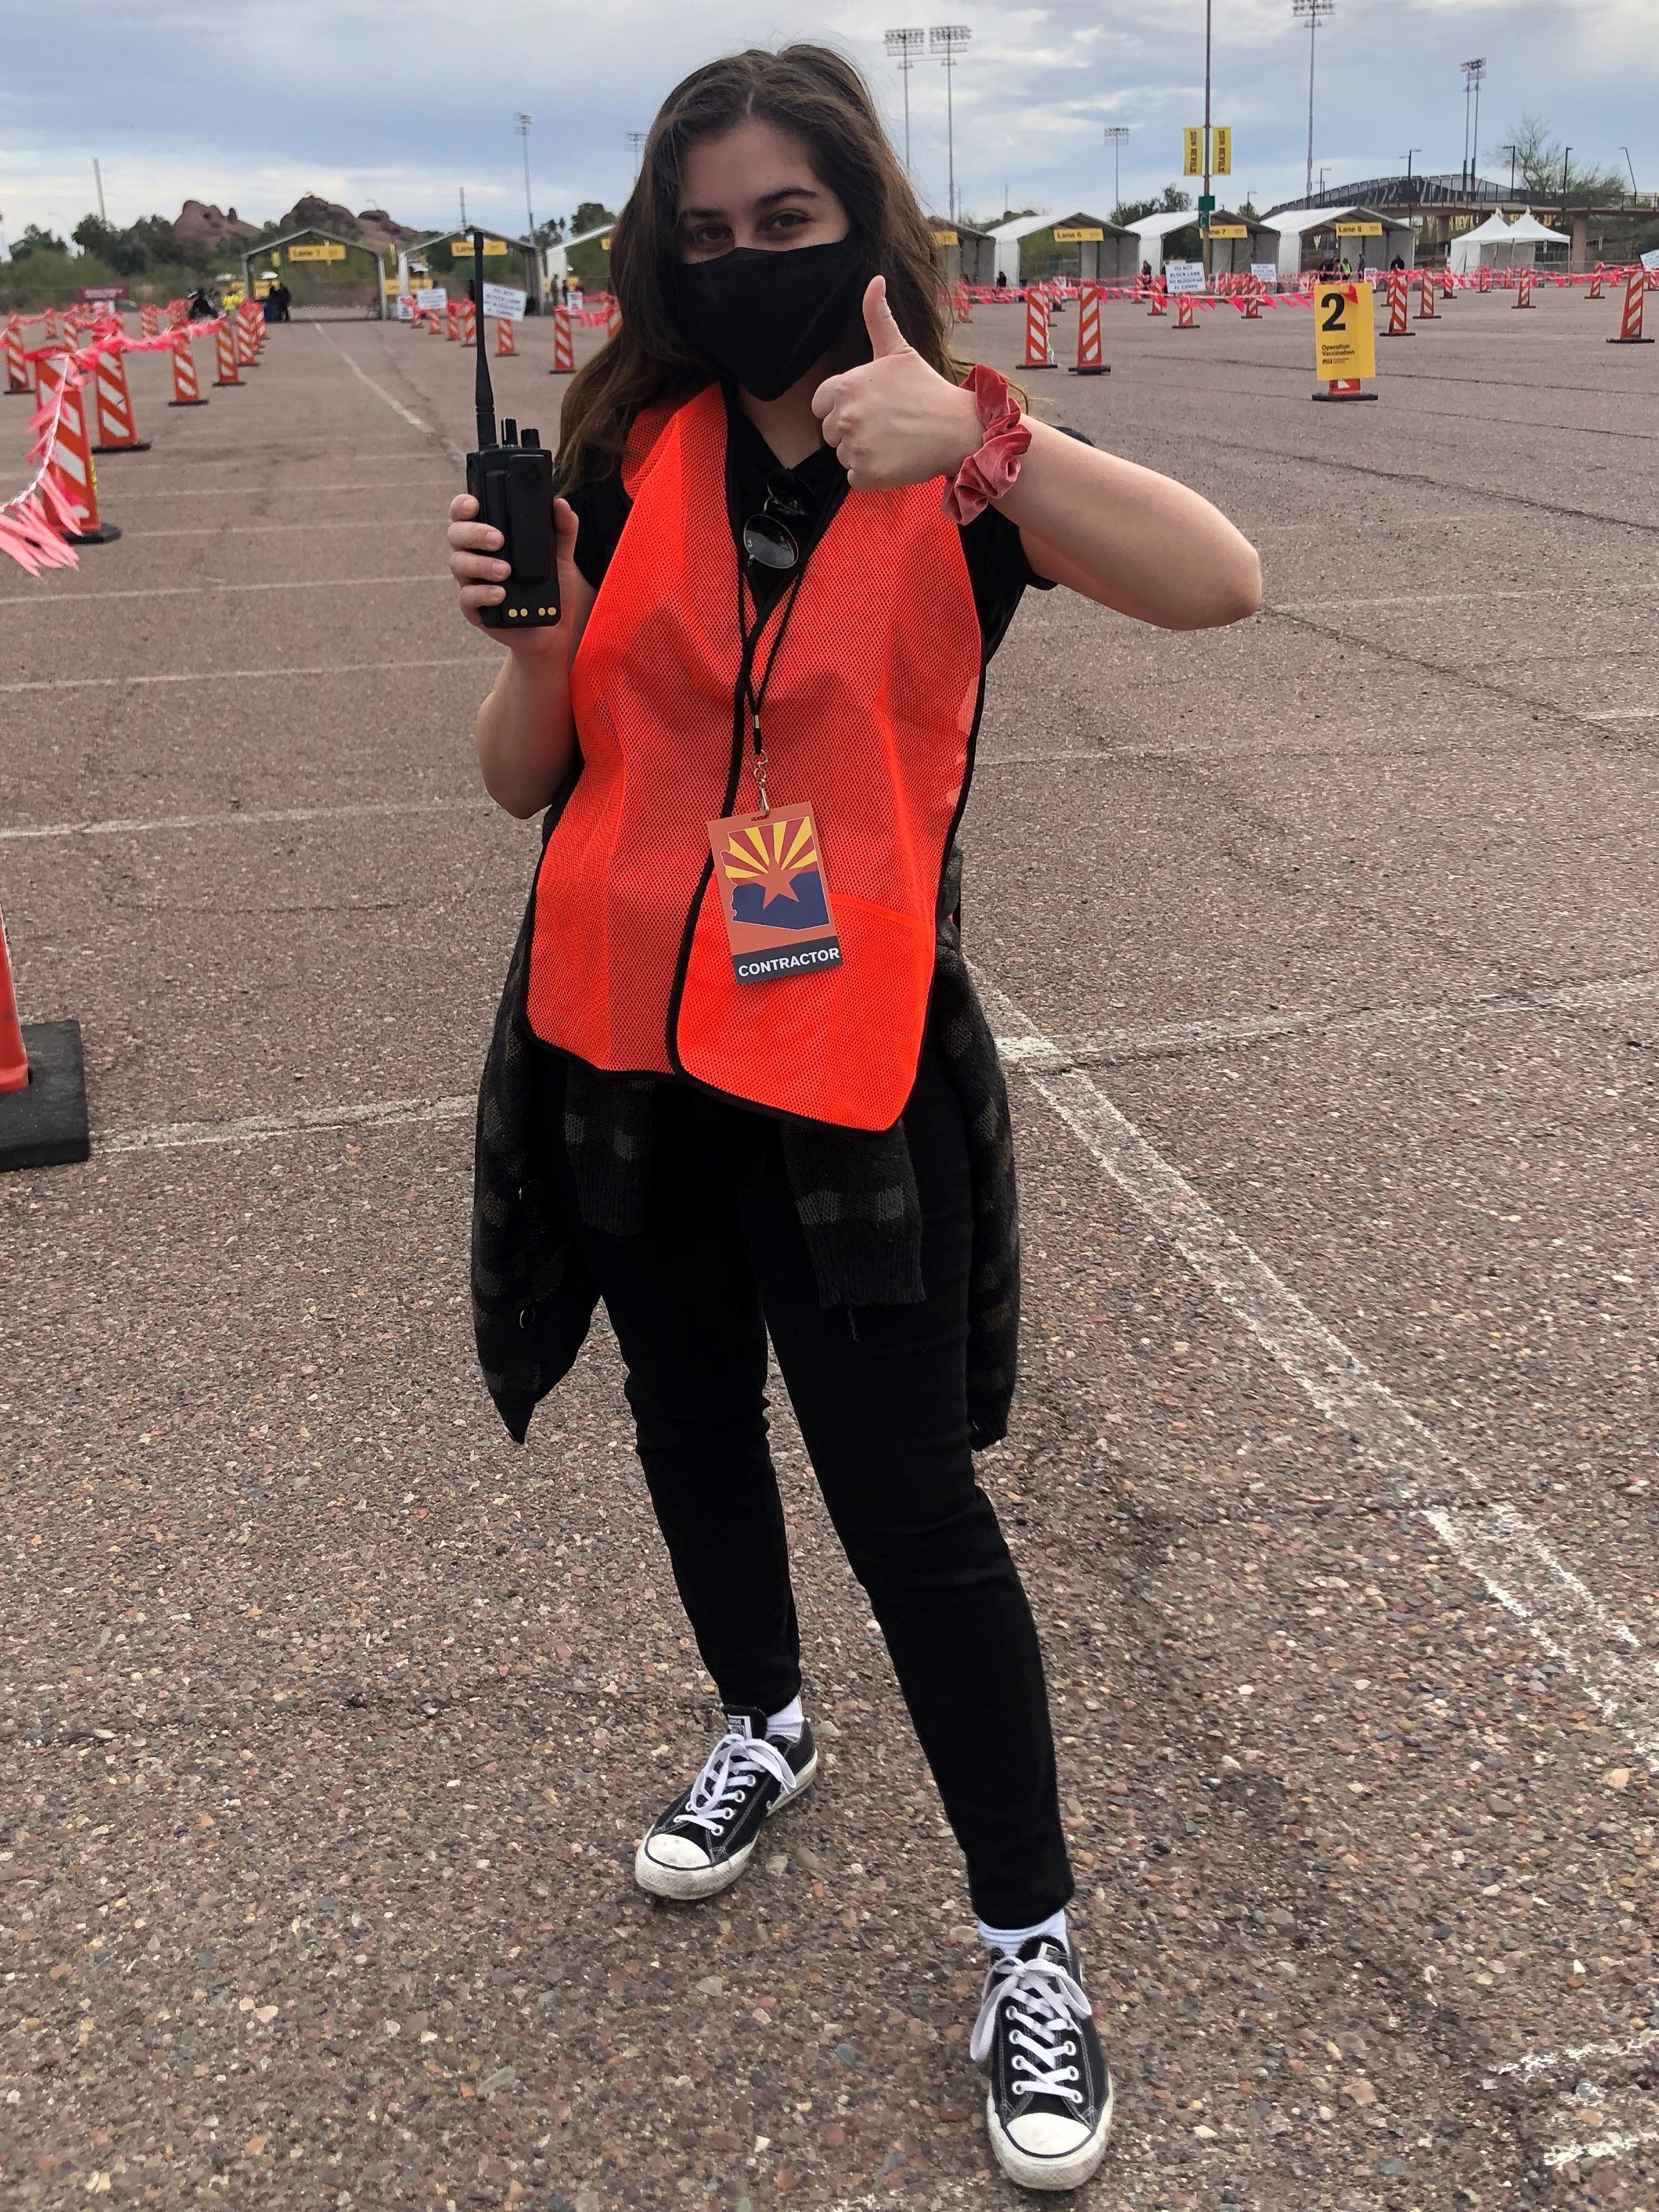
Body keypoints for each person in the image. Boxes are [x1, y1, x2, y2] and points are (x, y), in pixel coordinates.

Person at [447, 42, 1258, 2196]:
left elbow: (1220, 582)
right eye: (701, 239)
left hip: (842, 1059)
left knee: (910, 1506)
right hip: (619, 1038)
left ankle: (1031, 1939)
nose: (742, 270)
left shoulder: (950, 450)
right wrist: (528, 634)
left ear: (863, 230)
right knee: (688, 1425)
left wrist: (988, 444)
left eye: (784, 231)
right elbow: (529, 778)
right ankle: (762, 1722)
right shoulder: (630, 451)